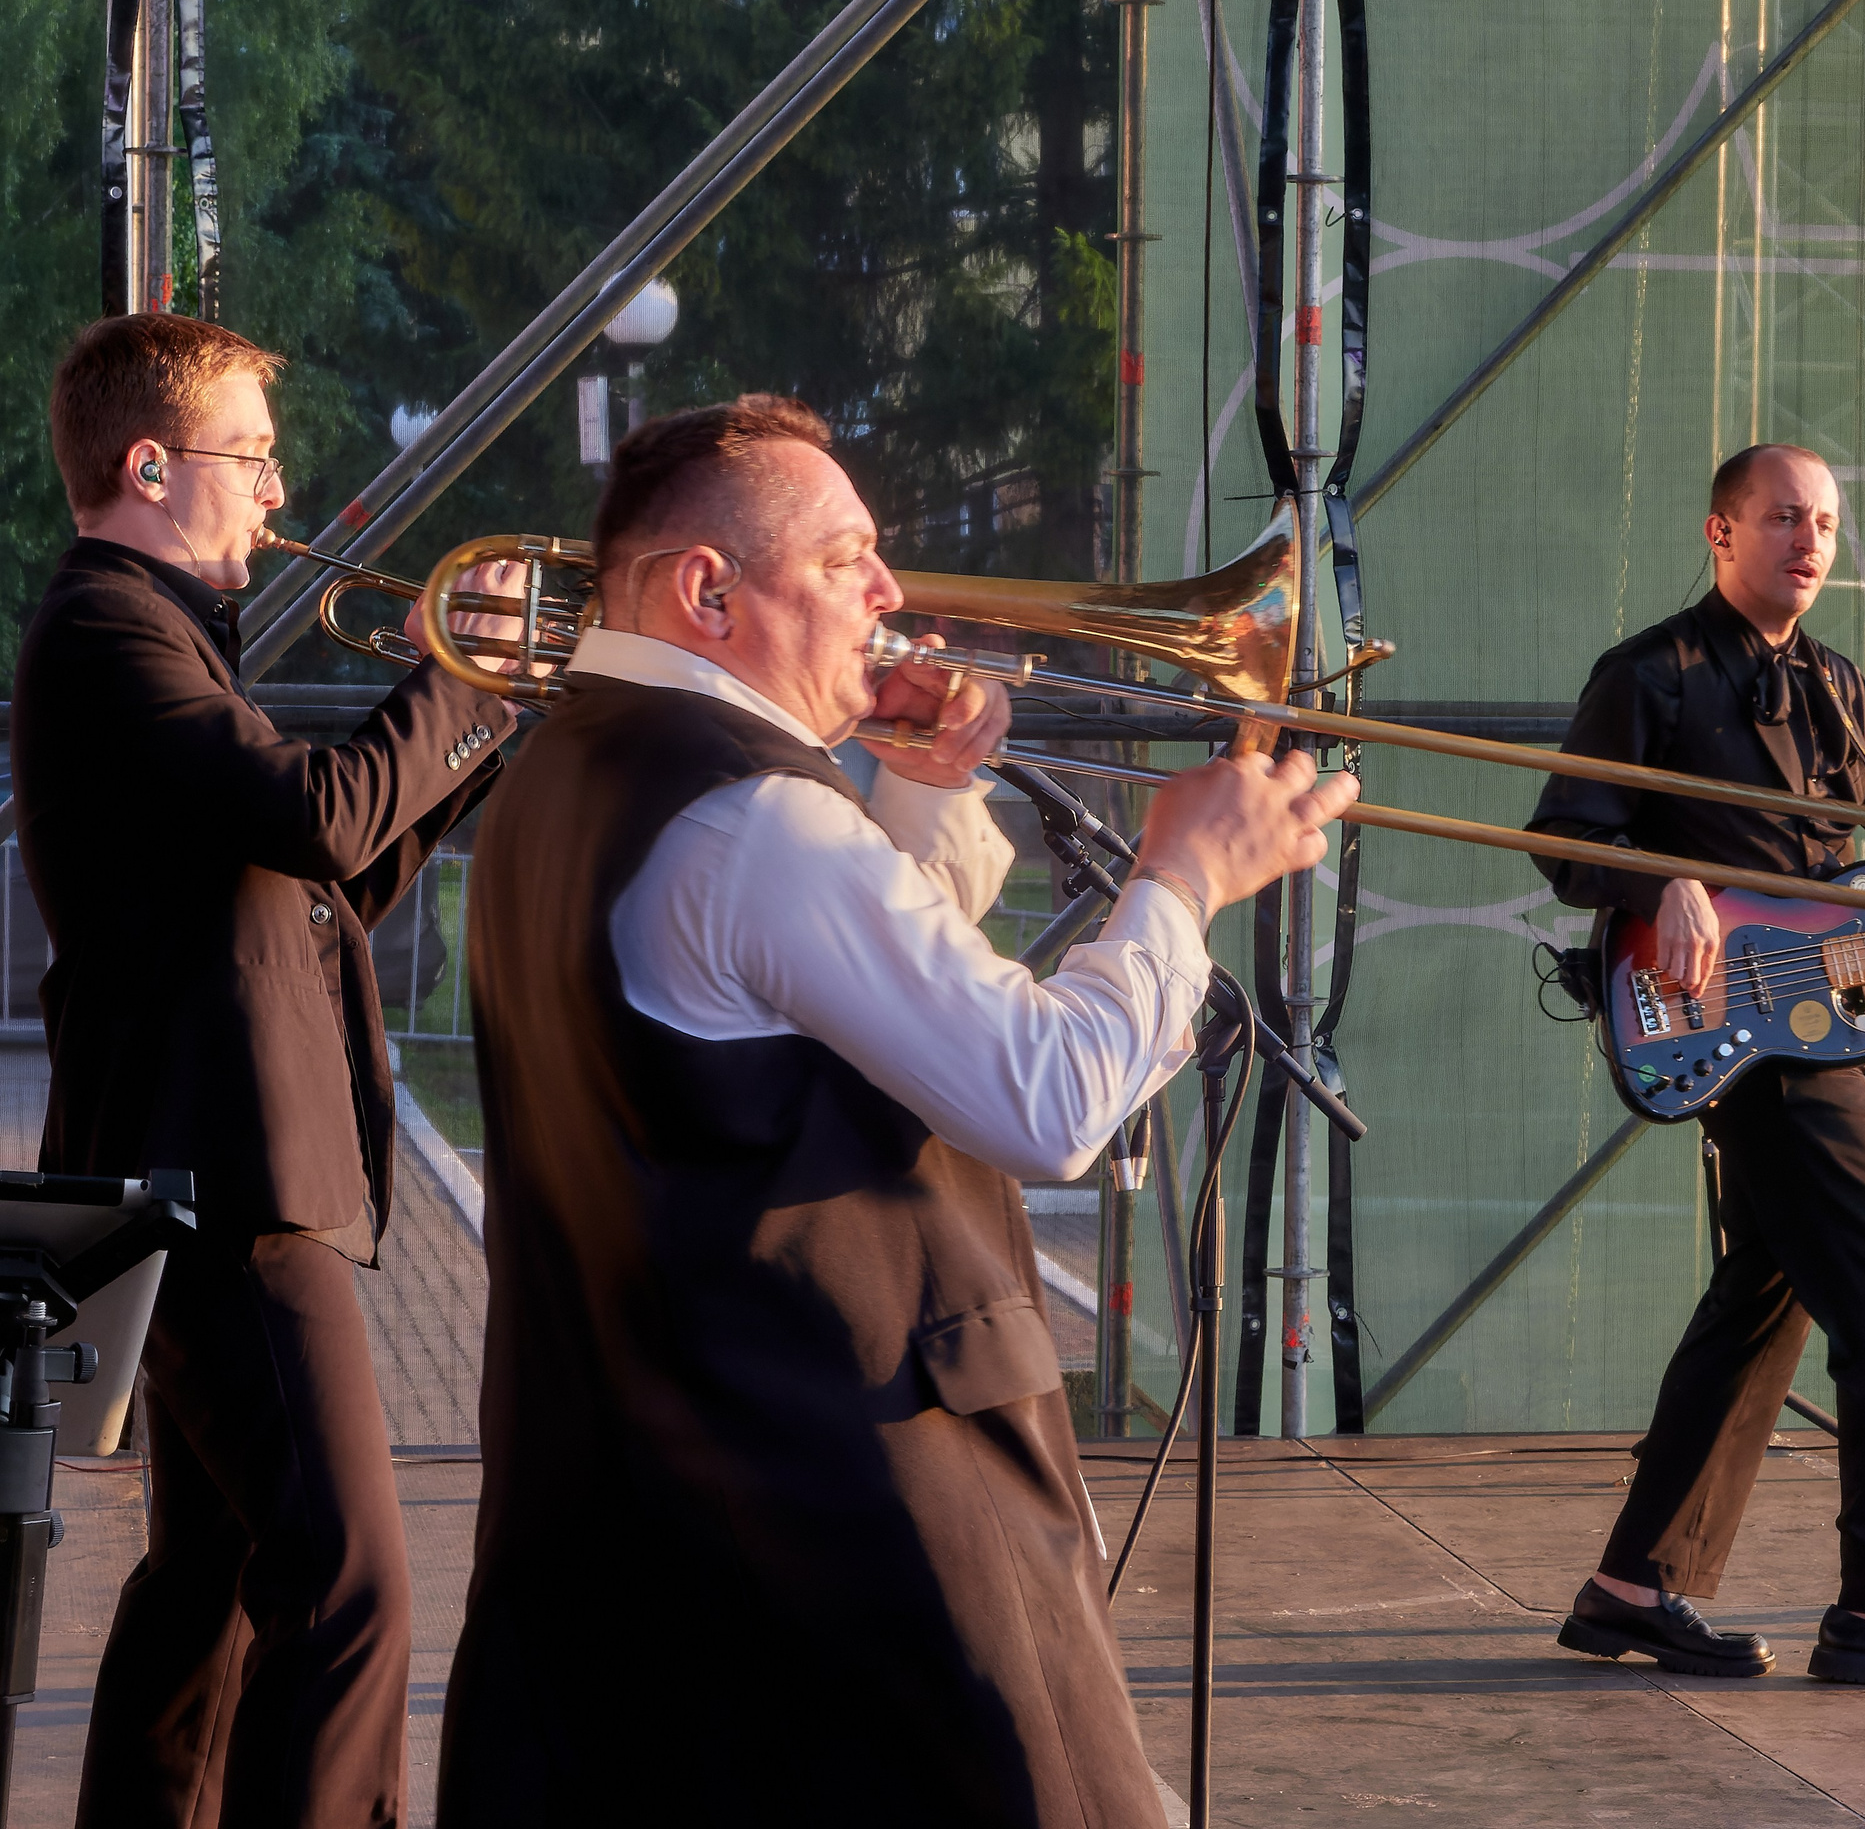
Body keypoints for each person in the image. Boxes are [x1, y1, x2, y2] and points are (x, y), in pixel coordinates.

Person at [438, 395, 1356, 1824]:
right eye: (848, 558)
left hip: (651, 1511)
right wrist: (1180, 886)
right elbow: (1044, 1099)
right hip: (861, 1514)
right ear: (708, 592)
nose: (893, 597)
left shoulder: (573, 768)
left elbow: (853, 1001)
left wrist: (928, 790)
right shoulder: (755, 819)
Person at [17, 313, 519, 1825]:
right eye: (252, 454)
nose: (276, 487)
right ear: (150, 464)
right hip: (224, 1173)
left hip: (195, 1165)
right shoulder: (111, 629)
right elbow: (313, 819)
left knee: (219, 1581)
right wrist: (462, 680)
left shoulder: (156, 636)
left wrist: (474, 723)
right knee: (349, 1584)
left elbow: (315, 896)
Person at [1527, 443, 1865, 1690]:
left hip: (1808, 1021)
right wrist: (1657, 878)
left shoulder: (1836, 685)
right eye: (1784, 517)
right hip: (1736, 1042)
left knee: (1761, 1307)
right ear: (1720, 532)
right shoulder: (1651, 677)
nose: (1810, 540)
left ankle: (1632, 1587)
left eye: (1826, 522)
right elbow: (1562, 836)